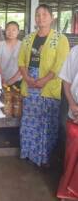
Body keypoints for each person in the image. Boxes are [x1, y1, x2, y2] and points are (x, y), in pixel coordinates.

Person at [18, 4, 69, 167]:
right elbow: (21, 61)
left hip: (48, 84)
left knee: (47, 121)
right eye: (38, 15)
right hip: (30, 82)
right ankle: (28, 152)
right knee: (30, 120)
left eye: (44, 14)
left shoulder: (60, 39)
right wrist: (27, 77)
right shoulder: (27, 38)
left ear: (52, 18)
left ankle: (44, 157)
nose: (41, 18)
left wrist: (44, 80)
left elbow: (61, 64)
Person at [57, 45, 78, 200]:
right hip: (75, 112)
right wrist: (72, 104)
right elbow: (67, 81)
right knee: (72, 155)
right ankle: (68, 192)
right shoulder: (75, 51)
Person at [0, 21, 22, 87]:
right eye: (8, 30)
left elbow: (24, 66)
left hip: (18, 80)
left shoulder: (23, 46)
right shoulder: (0, 45)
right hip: (2, 80)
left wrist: (13, 80)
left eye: (13, 30)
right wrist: (1, 78)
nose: (10, 32)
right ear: (5, 31)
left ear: (18, 31)